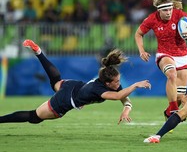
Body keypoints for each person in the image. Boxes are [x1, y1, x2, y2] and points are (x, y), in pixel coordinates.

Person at [0, 39, 151, 125]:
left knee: (56, 82)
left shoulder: (108, 79)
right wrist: (135, 84)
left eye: (119, 81)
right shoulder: (100, 90)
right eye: (116, 82)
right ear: (107, 84)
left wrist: (126, 110)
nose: (119, 84)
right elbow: (119, 96)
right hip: (67, 99)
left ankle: (39, 53)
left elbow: (125, 99)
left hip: (73, 85)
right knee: (34, 117)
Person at [135, 0, 187, 120]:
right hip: (164, 54)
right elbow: (138, 34)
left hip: (182, 55)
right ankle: (173, 108)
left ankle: (169, 112)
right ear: (159, 11)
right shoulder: (152, 19)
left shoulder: (179, 14)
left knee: (180, 97)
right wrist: (142, 50)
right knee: (171, 74)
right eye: (166, 10)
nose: (169, 12)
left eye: (170, 9)